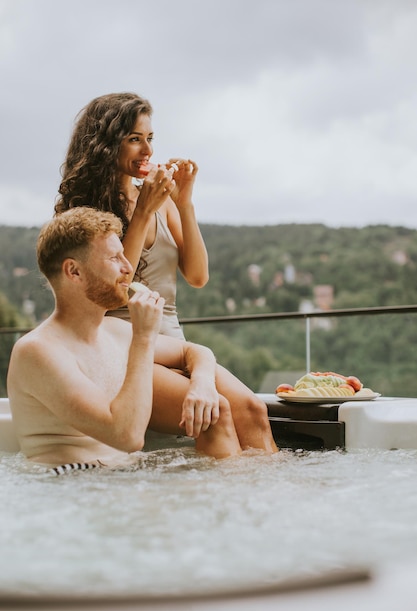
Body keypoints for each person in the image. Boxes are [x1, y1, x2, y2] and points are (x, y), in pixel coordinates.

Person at [7, 208, 278, 469]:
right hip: (69, 481)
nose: (128, 268)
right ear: (74, 271)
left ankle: (254, 505)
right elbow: (127, 436)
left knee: (213, 411)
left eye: (124, 256)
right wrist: (144, 336)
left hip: (119, 476)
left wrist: (202, 384)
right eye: (114, 258)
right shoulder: (37, 350)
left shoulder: (113, 331)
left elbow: (195, 352)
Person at [54, 92, 208, 339]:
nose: (148, 149)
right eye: (135, 139)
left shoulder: (163, 202)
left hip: (174, 342)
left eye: (150, 138)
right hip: (118, 343)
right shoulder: (84, 210)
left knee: (208, 373)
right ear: (107, 145)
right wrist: (143, 212)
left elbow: (198, 276)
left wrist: (184, 204)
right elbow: (113, 291)